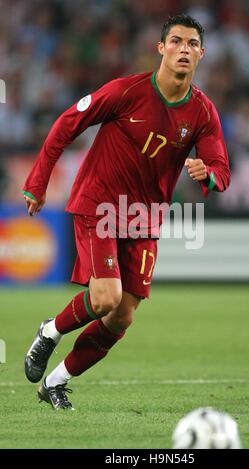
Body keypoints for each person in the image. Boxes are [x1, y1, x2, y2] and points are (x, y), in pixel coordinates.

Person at [23, 14, 230, 410]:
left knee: (121, 318)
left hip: (145, 218)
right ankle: (49, 331)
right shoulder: (127, 91)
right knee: (105, 297)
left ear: (202, 53)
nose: (183, 49)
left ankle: (54, 382)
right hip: (100, 204)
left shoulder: (203, 113)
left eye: (191, 44)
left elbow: (222, 169)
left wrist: (210, 175)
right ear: (161, 48)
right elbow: (67, 123)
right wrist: (38, 181)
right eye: (176, 41)